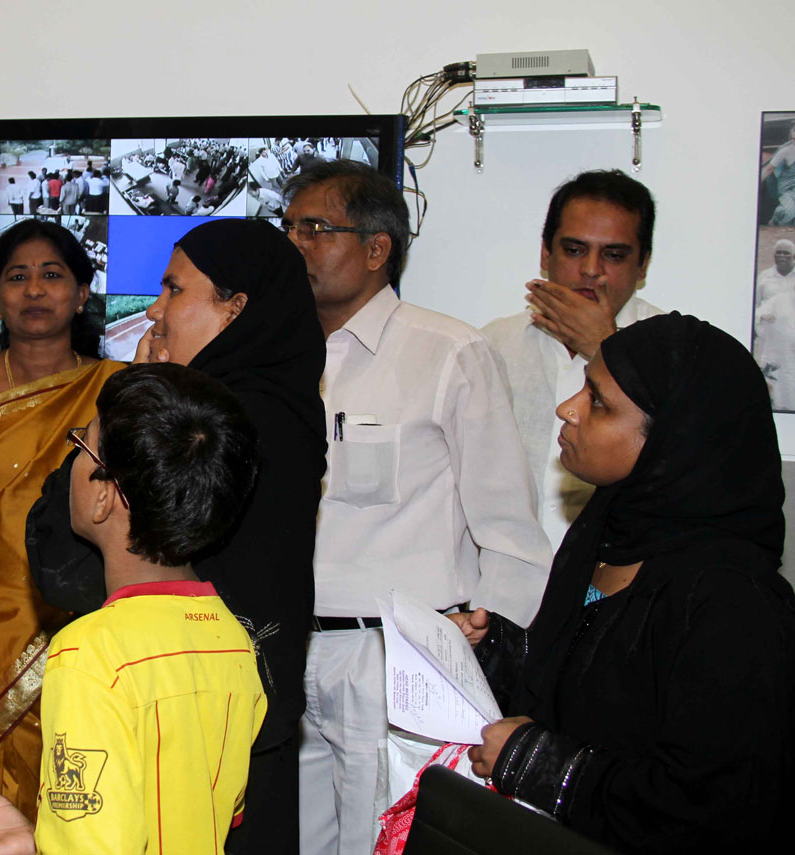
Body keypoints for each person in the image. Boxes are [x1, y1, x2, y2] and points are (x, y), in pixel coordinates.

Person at [25, 218, 326, 854]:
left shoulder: (210, 426)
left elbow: (65, 539)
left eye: (174, 291)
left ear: (234, 310)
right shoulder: (287, 406)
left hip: (160, 712)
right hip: (240, 719)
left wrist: (129, 401)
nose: (155, 311)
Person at [280, 160, 552, 855]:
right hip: (292, 650)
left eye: (316, 228)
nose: (296, 244)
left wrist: (488, 655)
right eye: (290, 228)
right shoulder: (277, 356)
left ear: (378, 249)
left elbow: (511, 530)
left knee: (387, 845)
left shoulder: (449, 351)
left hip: (400, 658)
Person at [451, 313, 795, 854]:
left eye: (599, 401)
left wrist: (545, 768)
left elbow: (709, 810)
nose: (569, 408)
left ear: (674, 440)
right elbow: (598, 693)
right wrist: (499, 650)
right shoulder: (606, 535)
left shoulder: (732, 605)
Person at [0, 363, 268, 855]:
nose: (70, 465)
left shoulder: (90, 654)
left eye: (79, 448)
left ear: (104, 497)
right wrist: (36, 839)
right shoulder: (232, 638)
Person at [0, 218, 123, 821]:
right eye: (16, 277)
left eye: (53, 275)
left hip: (81, 615)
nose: (34, 290)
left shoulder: (116, 388)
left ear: (81, 292)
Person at [482, 170, 665, 553]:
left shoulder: (675, 350)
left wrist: (604, 347)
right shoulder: (492, 344)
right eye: (574, 250)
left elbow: (686, 470)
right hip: (503, 588)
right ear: (546, 253)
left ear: (643, 264)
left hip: (620, 584)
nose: (592, 270)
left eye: (614, 255)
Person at [761, 120, 795, 226]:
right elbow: (768, 169)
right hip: (787, 190)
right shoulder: (786, 151)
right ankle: (775, 220)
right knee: (789, 212)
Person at [756, 237, 795, 303]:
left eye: (786, 253)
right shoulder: (764, 276)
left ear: (794, 256)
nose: (782, 256)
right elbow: (756, 304)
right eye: (778, 253)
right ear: (774, 255)